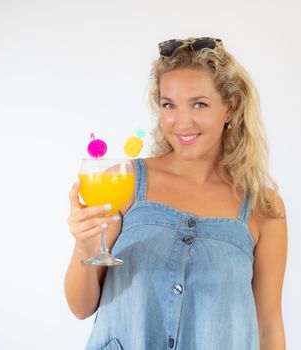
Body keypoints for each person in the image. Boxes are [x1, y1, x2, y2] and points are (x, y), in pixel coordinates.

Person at [65, 37, 288, 350]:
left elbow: (269, 328)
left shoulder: (262, 207)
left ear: (230, 107)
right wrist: (84, 248)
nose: (182, 122)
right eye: (169, 104)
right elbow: (81, 307)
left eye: (199, 104)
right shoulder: (122, 182)